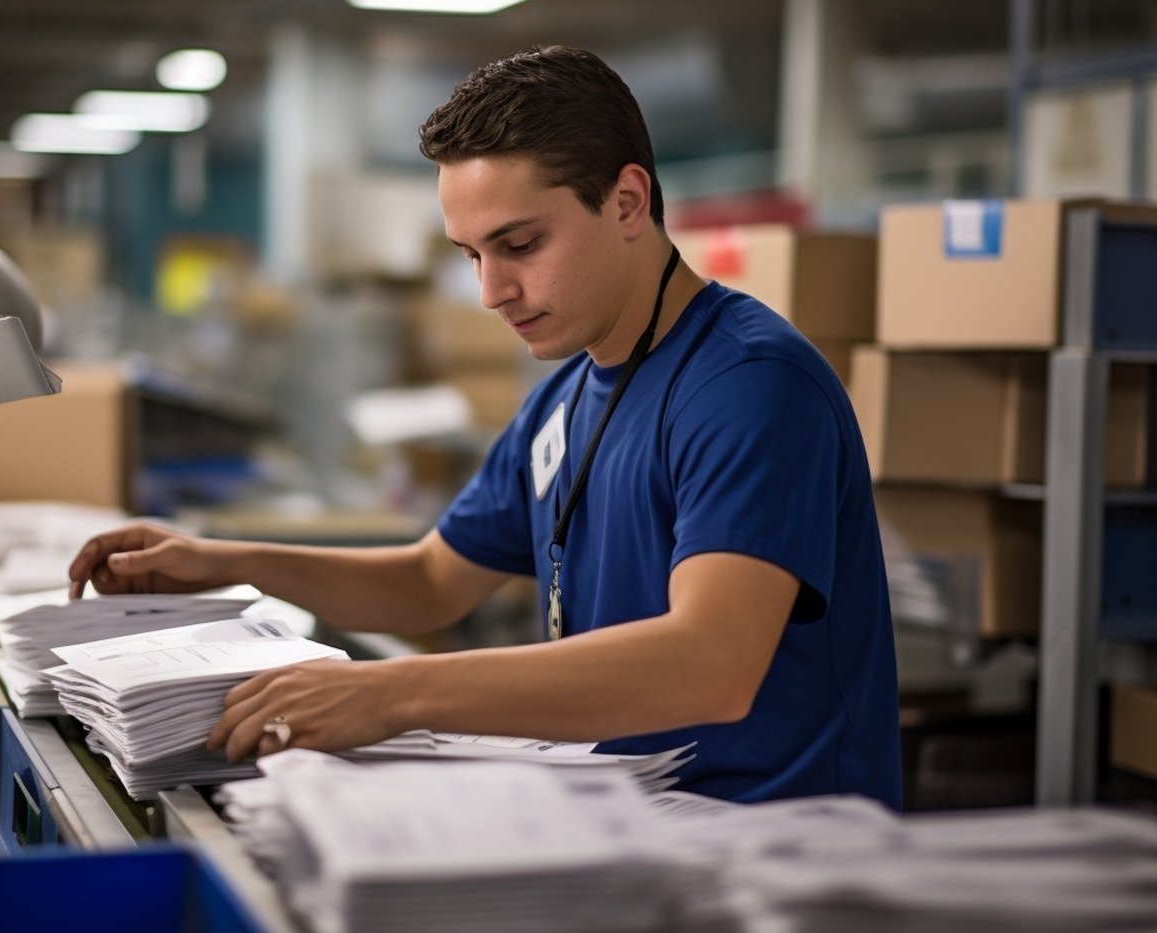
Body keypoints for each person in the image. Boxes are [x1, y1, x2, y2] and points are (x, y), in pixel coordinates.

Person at [68, 45, 902, 808]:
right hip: (623, 822)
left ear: (627, 201)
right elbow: (431, 580)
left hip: (767, 847)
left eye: (519, 244)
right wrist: (221, 561)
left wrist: (390, 692)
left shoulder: (749, 385)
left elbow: (712, 663)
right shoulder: (566, 396)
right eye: (471, 254)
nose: (491, 290)